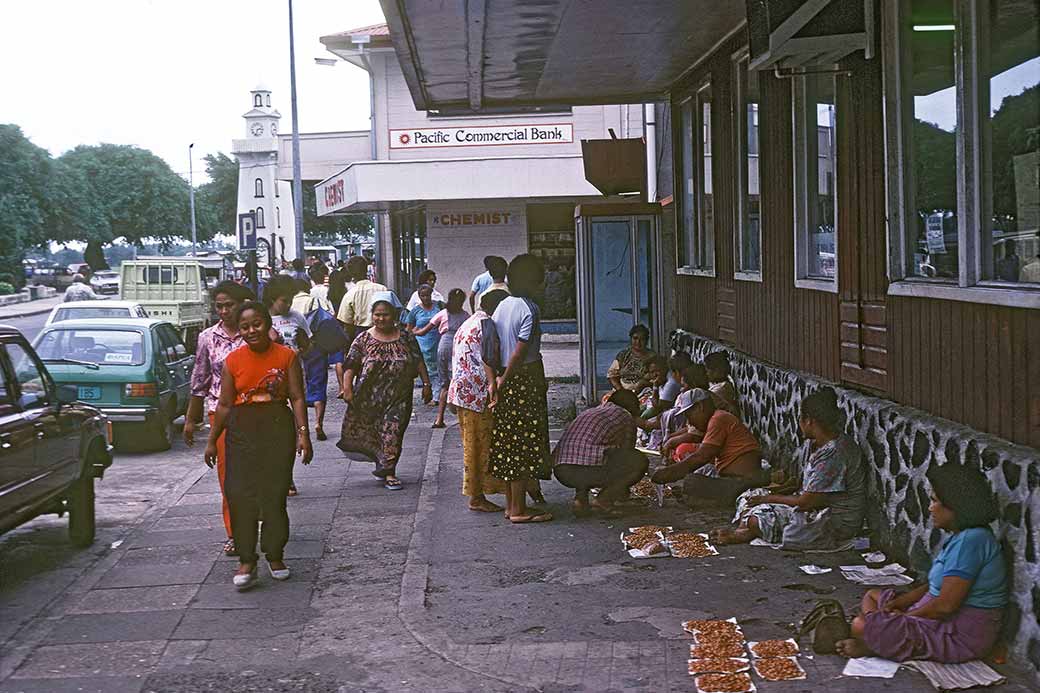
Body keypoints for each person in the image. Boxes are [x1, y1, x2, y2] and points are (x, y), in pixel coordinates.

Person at [836, 463, 1007, 663]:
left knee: (859, 625)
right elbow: (934, 586)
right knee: (872, 596)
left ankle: (872, 643)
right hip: (932, 615)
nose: (930, 508)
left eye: (934, 501)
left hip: (958, 635)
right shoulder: (961, 537)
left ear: (955, 507)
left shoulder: (972, 541)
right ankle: (881, 632)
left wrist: (904, 619)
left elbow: (945, 606)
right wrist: (899, 604)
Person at [204, 301, 313, 590]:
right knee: (239, 494)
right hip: (242, 428)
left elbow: (297, 397)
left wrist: (304, 434)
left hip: (277, 426)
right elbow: (225, 404)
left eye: (257, 324)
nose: (252, 331)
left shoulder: (287, 356)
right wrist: (212, 440)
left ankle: (275, 555)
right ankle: (247, 560)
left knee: (274, 494)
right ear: (239, 331)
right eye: (245, 327)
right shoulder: (233, 361)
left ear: (268, 324)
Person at [710, 387, 866, 549]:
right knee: (748, 498)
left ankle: (742, 532)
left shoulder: (834, 453)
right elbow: (808, 488)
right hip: (816, 505)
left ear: (809, 421)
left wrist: (768, 499)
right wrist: (777, 491)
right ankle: (743, 531)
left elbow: (807, 502)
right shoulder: (819, 445)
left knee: (757, 516)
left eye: (800, 419)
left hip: (833, 522)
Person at [184, 281, 255, 556]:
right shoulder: (207, 338)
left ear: (241, 304)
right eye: (220, 306)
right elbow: (199, 380)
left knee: (259, 473)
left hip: (257, 412)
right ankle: (235, 532)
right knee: (229, 477)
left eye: (230, 305)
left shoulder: (256, 333)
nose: (224, 311)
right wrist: (192, 419)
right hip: (222, 413)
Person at [338, 293, 433, 490]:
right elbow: (350, 365)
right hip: (369, 397)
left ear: (395, 315)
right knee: (376, 433)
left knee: (393, 431)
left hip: (399, 397)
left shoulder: (406, 337)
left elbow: (418, 360)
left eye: (386, 314)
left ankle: (389, 471)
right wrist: (347, 389)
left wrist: (426, 384)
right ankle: (382, 463)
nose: (381, 319)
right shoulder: (363, 339)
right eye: (377, 314)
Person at [488, 254, 553, 523]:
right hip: (524, 376)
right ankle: (518, 510)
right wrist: (506, 379)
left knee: (507, 441)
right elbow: (519, 350)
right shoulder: (530, 308)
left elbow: (495, 344)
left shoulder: (502, 305)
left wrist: (497, 380)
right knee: (525, 443)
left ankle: (511, 505)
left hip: (505, 374)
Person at [447, 288, 509, 512]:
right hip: (476, 393)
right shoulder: (488, 325)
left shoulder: (470, 321)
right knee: (477, 447)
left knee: (471, 445)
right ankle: (476, 497)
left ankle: (478, 494)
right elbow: (489, 358)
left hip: (462, 393)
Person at [651, 388, 764, 505]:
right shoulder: (716, 419)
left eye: (689, 415)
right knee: (697, 479)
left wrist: (669, 473)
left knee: (691, 482)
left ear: (700, 407)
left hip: (744, 481)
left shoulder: (718, 419)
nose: (690, 422)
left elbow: (700, 457)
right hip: (737, 478)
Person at [553, 390, 648, 515]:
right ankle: (604, 499)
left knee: (587, 455)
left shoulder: (590, 411)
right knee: (639, 461)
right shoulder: (625, 415)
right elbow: (627, 451)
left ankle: (581, 499)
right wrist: (620, 490)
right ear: (633, 407)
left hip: (562, 471)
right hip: (588, 470)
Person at [263, 276, 312, 496]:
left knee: (291, 428)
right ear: (273, 299)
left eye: (291, 299)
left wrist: (298, 352)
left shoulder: (297, 317)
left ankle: (287, 476)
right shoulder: (262, 320)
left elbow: (309, 344)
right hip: (269, 382)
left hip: (294, 378)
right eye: (285, 300)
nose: (289, 304)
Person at [410, 288, 469, 428]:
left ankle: (439, 419)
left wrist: (413, 331)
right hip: (459, 347)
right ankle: (461, 415)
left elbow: (424, 330)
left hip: (443, 346)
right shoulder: (466, 316)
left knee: (444, 383)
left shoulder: (443, 313)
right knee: (459, 379)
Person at [337, 256, 388, 343]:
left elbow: (347, 324)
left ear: (351, 273)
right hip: (384, 331)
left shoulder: (350, 294)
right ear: (366, 269)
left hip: (360, 333)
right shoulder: (382, 289)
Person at [404, 284, 444, 396]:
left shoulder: (439, 307)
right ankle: (430, 392)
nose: (425, 298)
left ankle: (437, 395)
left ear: (431, 294)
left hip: (437, 342)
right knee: (426, 370)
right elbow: (409, 328)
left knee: (438, 369)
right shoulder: (415, 311)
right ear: (419, 296)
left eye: (427, 295)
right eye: (423, 296)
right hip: (422, 346)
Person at [606, 324, 657, 394]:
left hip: (644, 392)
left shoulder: (653, 356)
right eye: (635, 338)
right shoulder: (623, 355)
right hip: (622, 391)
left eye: (642, 339)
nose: (638, 342)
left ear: (647, 340)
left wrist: (641, 386)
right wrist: (621, 391)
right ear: (631, 339)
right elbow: (612, 375)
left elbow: (656, 379)